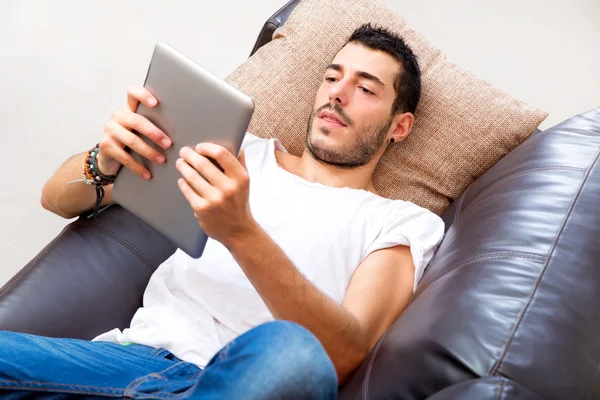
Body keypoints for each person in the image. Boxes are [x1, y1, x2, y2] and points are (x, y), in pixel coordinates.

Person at [1, 24, 444, 399]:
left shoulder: (401, 221)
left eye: (365, 88)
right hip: (129, 359)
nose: (338, 95)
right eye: (331, 78)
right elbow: (56, 197)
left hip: (245, 379)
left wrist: (241, 232)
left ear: (399, 126)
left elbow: (345, 353)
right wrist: (104, 161)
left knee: (293, 350)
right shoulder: (235, 151)